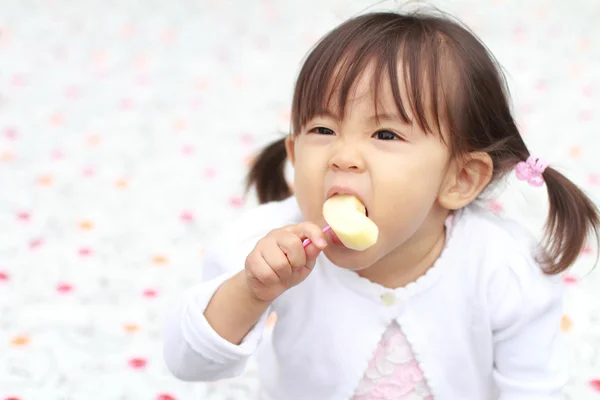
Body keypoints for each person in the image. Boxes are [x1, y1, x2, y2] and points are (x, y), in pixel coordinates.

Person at [162, 9, 599, 400]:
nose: (343, 156)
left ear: (459, 178)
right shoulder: (264, 248)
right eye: (322, 130)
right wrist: (251, 292)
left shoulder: (505, 267)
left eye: (385, 135)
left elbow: (536, 388)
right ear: (294, 155)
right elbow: (190, 364)